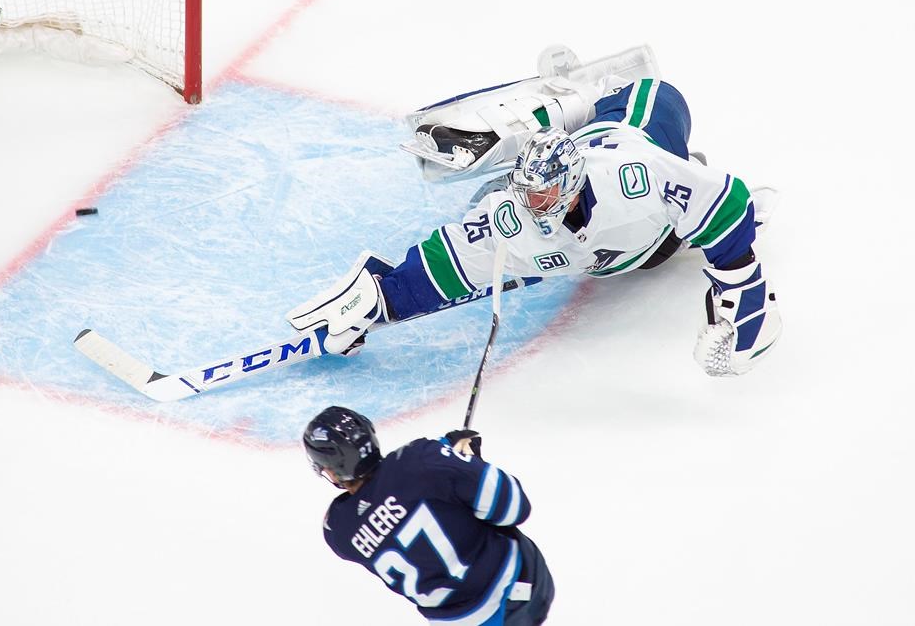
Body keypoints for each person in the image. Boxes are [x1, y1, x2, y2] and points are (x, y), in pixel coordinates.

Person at [286, 57, 782, 377]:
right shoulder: (512, 214)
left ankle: (576, 102)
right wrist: (381, 300)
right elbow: (448, 262)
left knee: (651, 93)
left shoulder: (634, 174)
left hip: (636, 155)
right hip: (641, 253)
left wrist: (738, 293)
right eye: (527, 193)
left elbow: (731, 203)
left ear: (570, 187)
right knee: (680, 204)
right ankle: (561, 120)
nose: (530, 205)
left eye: (543, 195)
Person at [304, 405, 554, 625]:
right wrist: (468, 465)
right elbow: (514, 507)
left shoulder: (338, 530)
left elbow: (395, 496)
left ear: (332, 471)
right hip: (521, 587)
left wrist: (446, 458)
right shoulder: (423, 459)